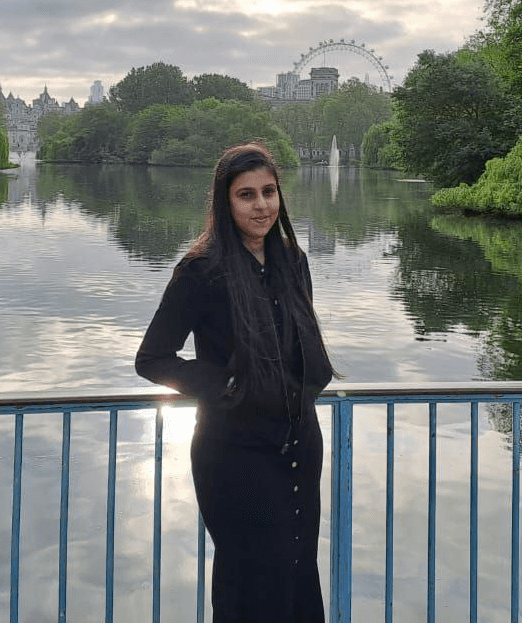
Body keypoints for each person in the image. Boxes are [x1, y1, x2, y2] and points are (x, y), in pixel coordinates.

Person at [135, 141, 336, 622]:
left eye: (269, 192)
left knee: (296, 570)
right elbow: (153, 358)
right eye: (247, 195)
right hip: (234, 452)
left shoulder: (293, 261)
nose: (262, 205)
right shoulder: (201, 270)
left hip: (299, 443)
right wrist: (225, 386)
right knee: (251, 578)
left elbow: (301, 343)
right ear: (225, 202)